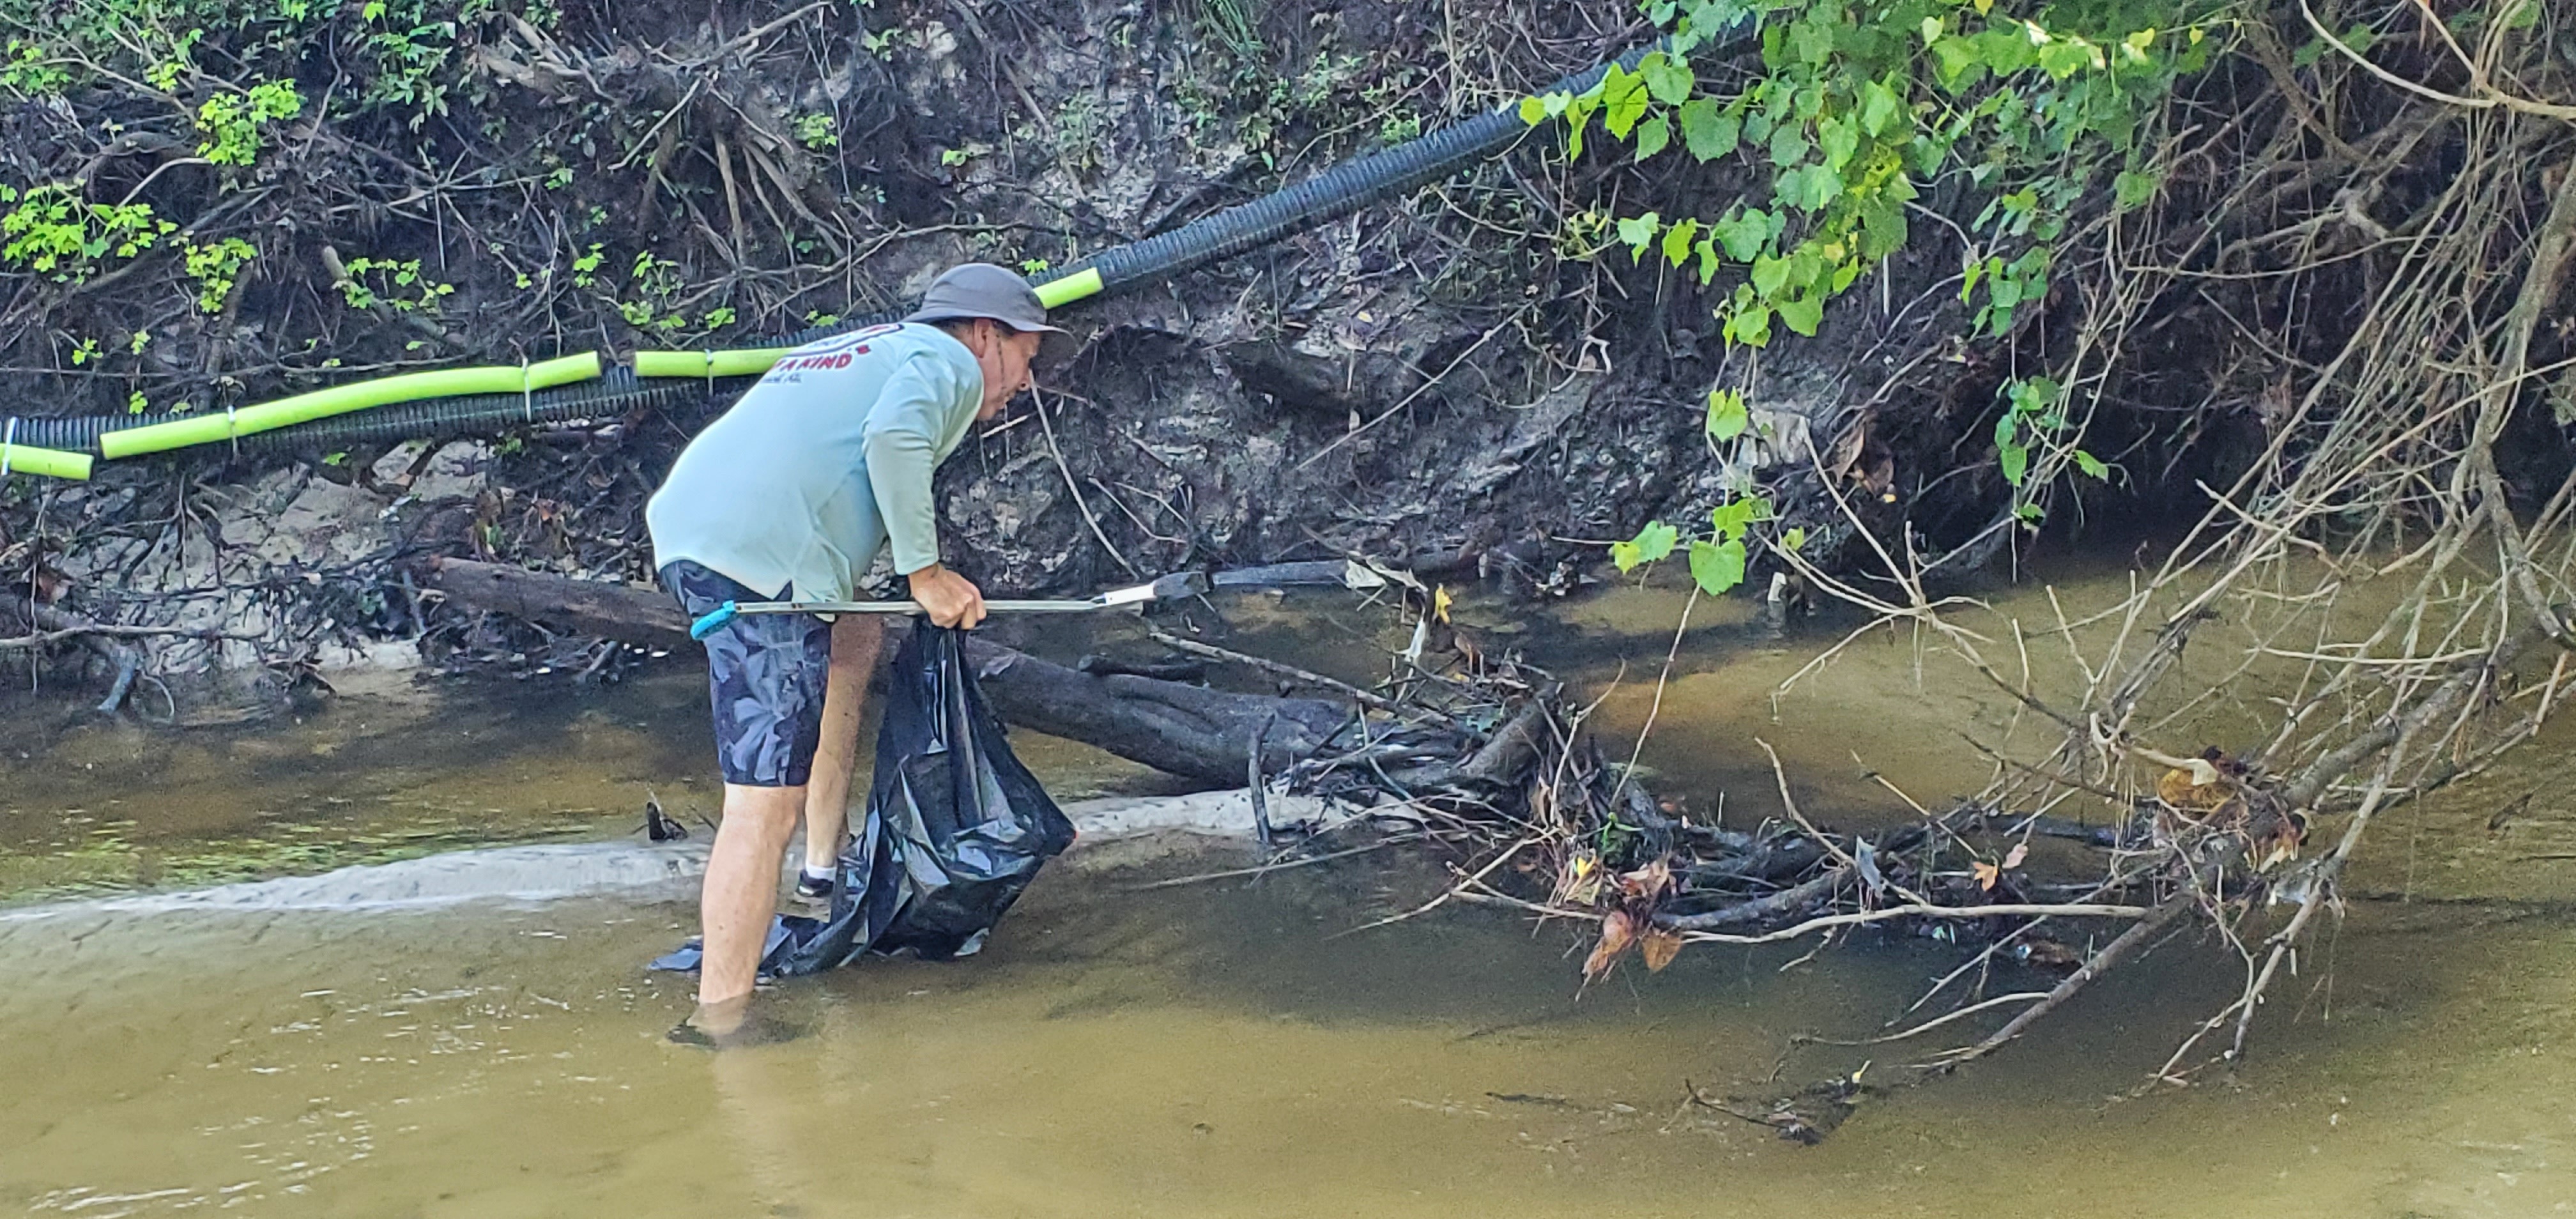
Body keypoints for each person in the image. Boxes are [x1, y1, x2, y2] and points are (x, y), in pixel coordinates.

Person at [645, 263, 1062, 1039]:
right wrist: (926, 574)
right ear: (983, 336)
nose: (1023, 384)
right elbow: (895, 438)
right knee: (760, 806)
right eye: (1026, 359)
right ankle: (719, 1019)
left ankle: (823, 869)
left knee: (856, 636)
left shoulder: (864, 350)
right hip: (756, 562)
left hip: (702, 531)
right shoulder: (946, 364)